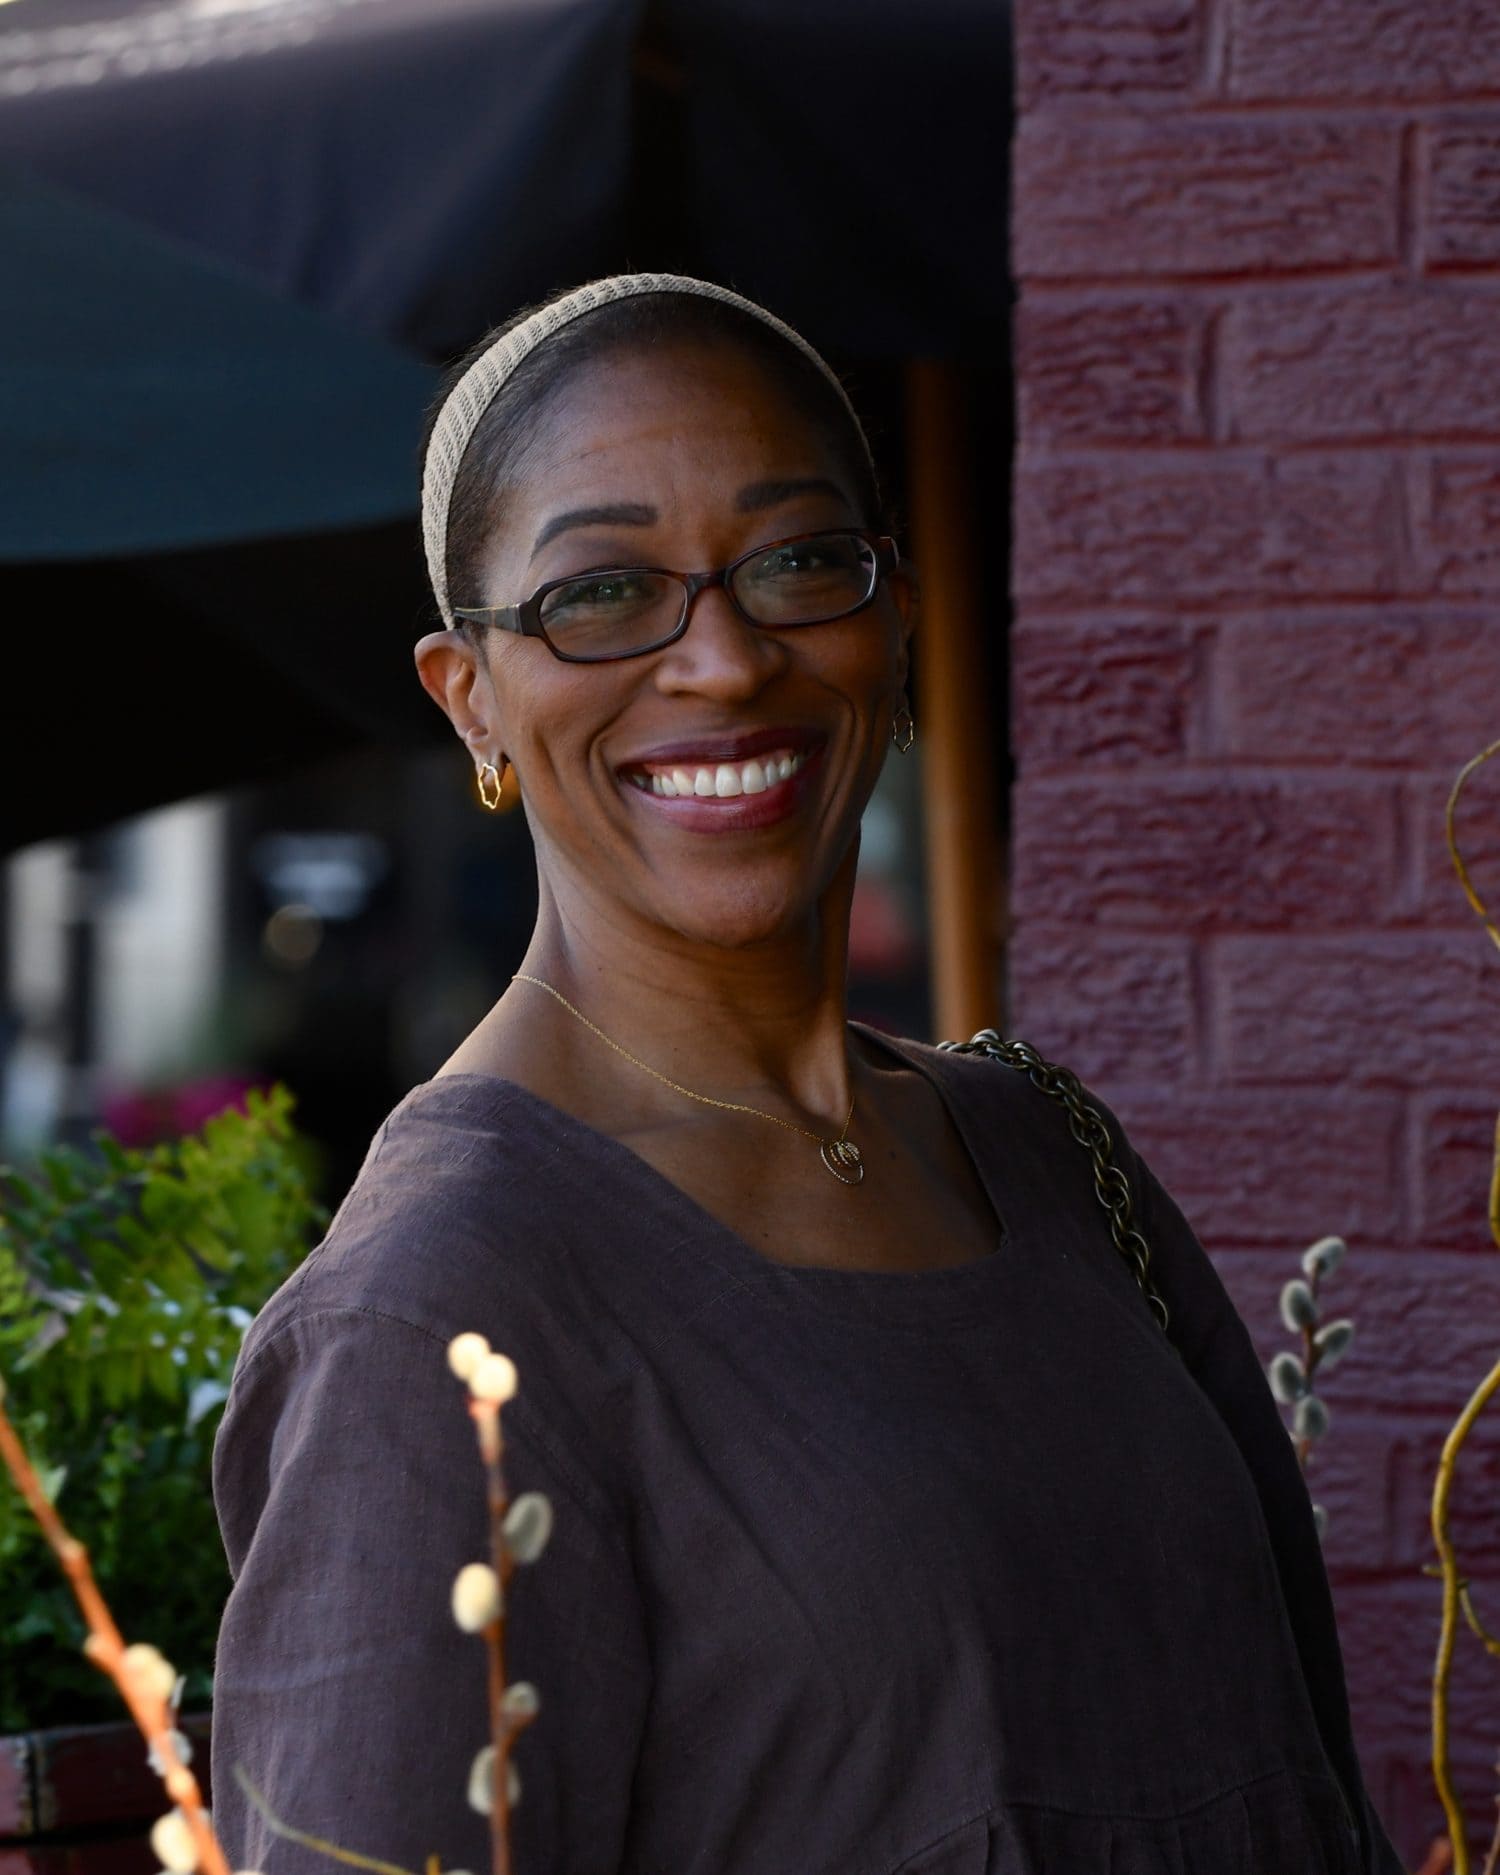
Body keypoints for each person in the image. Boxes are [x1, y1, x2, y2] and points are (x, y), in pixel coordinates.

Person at [210, 273, 1404, 1875]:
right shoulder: (437, 1311)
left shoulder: (1046, 1151)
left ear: (894, 617)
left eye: (798, 562)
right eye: (600, 592)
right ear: (471, 697)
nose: (722, 661)